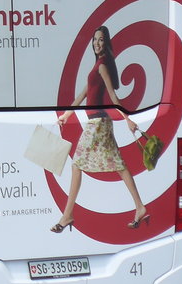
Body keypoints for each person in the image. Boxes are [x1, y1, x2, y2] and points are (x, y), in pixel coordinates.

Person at [52, 25, 148, 232]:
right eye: (95, 39)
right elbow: (83, 94)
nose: (97, 43)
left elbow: (113, 97)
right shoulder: (97, 67)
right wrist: (67, 114)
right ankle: (140, 207)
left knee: (77, 165)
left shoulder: (102, 66)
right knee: (119, 165)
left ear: (106, 43)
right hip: (99, 122)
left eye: (101, 40)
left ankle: (67, 216)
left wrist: (128, 119)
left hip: (98, 124)